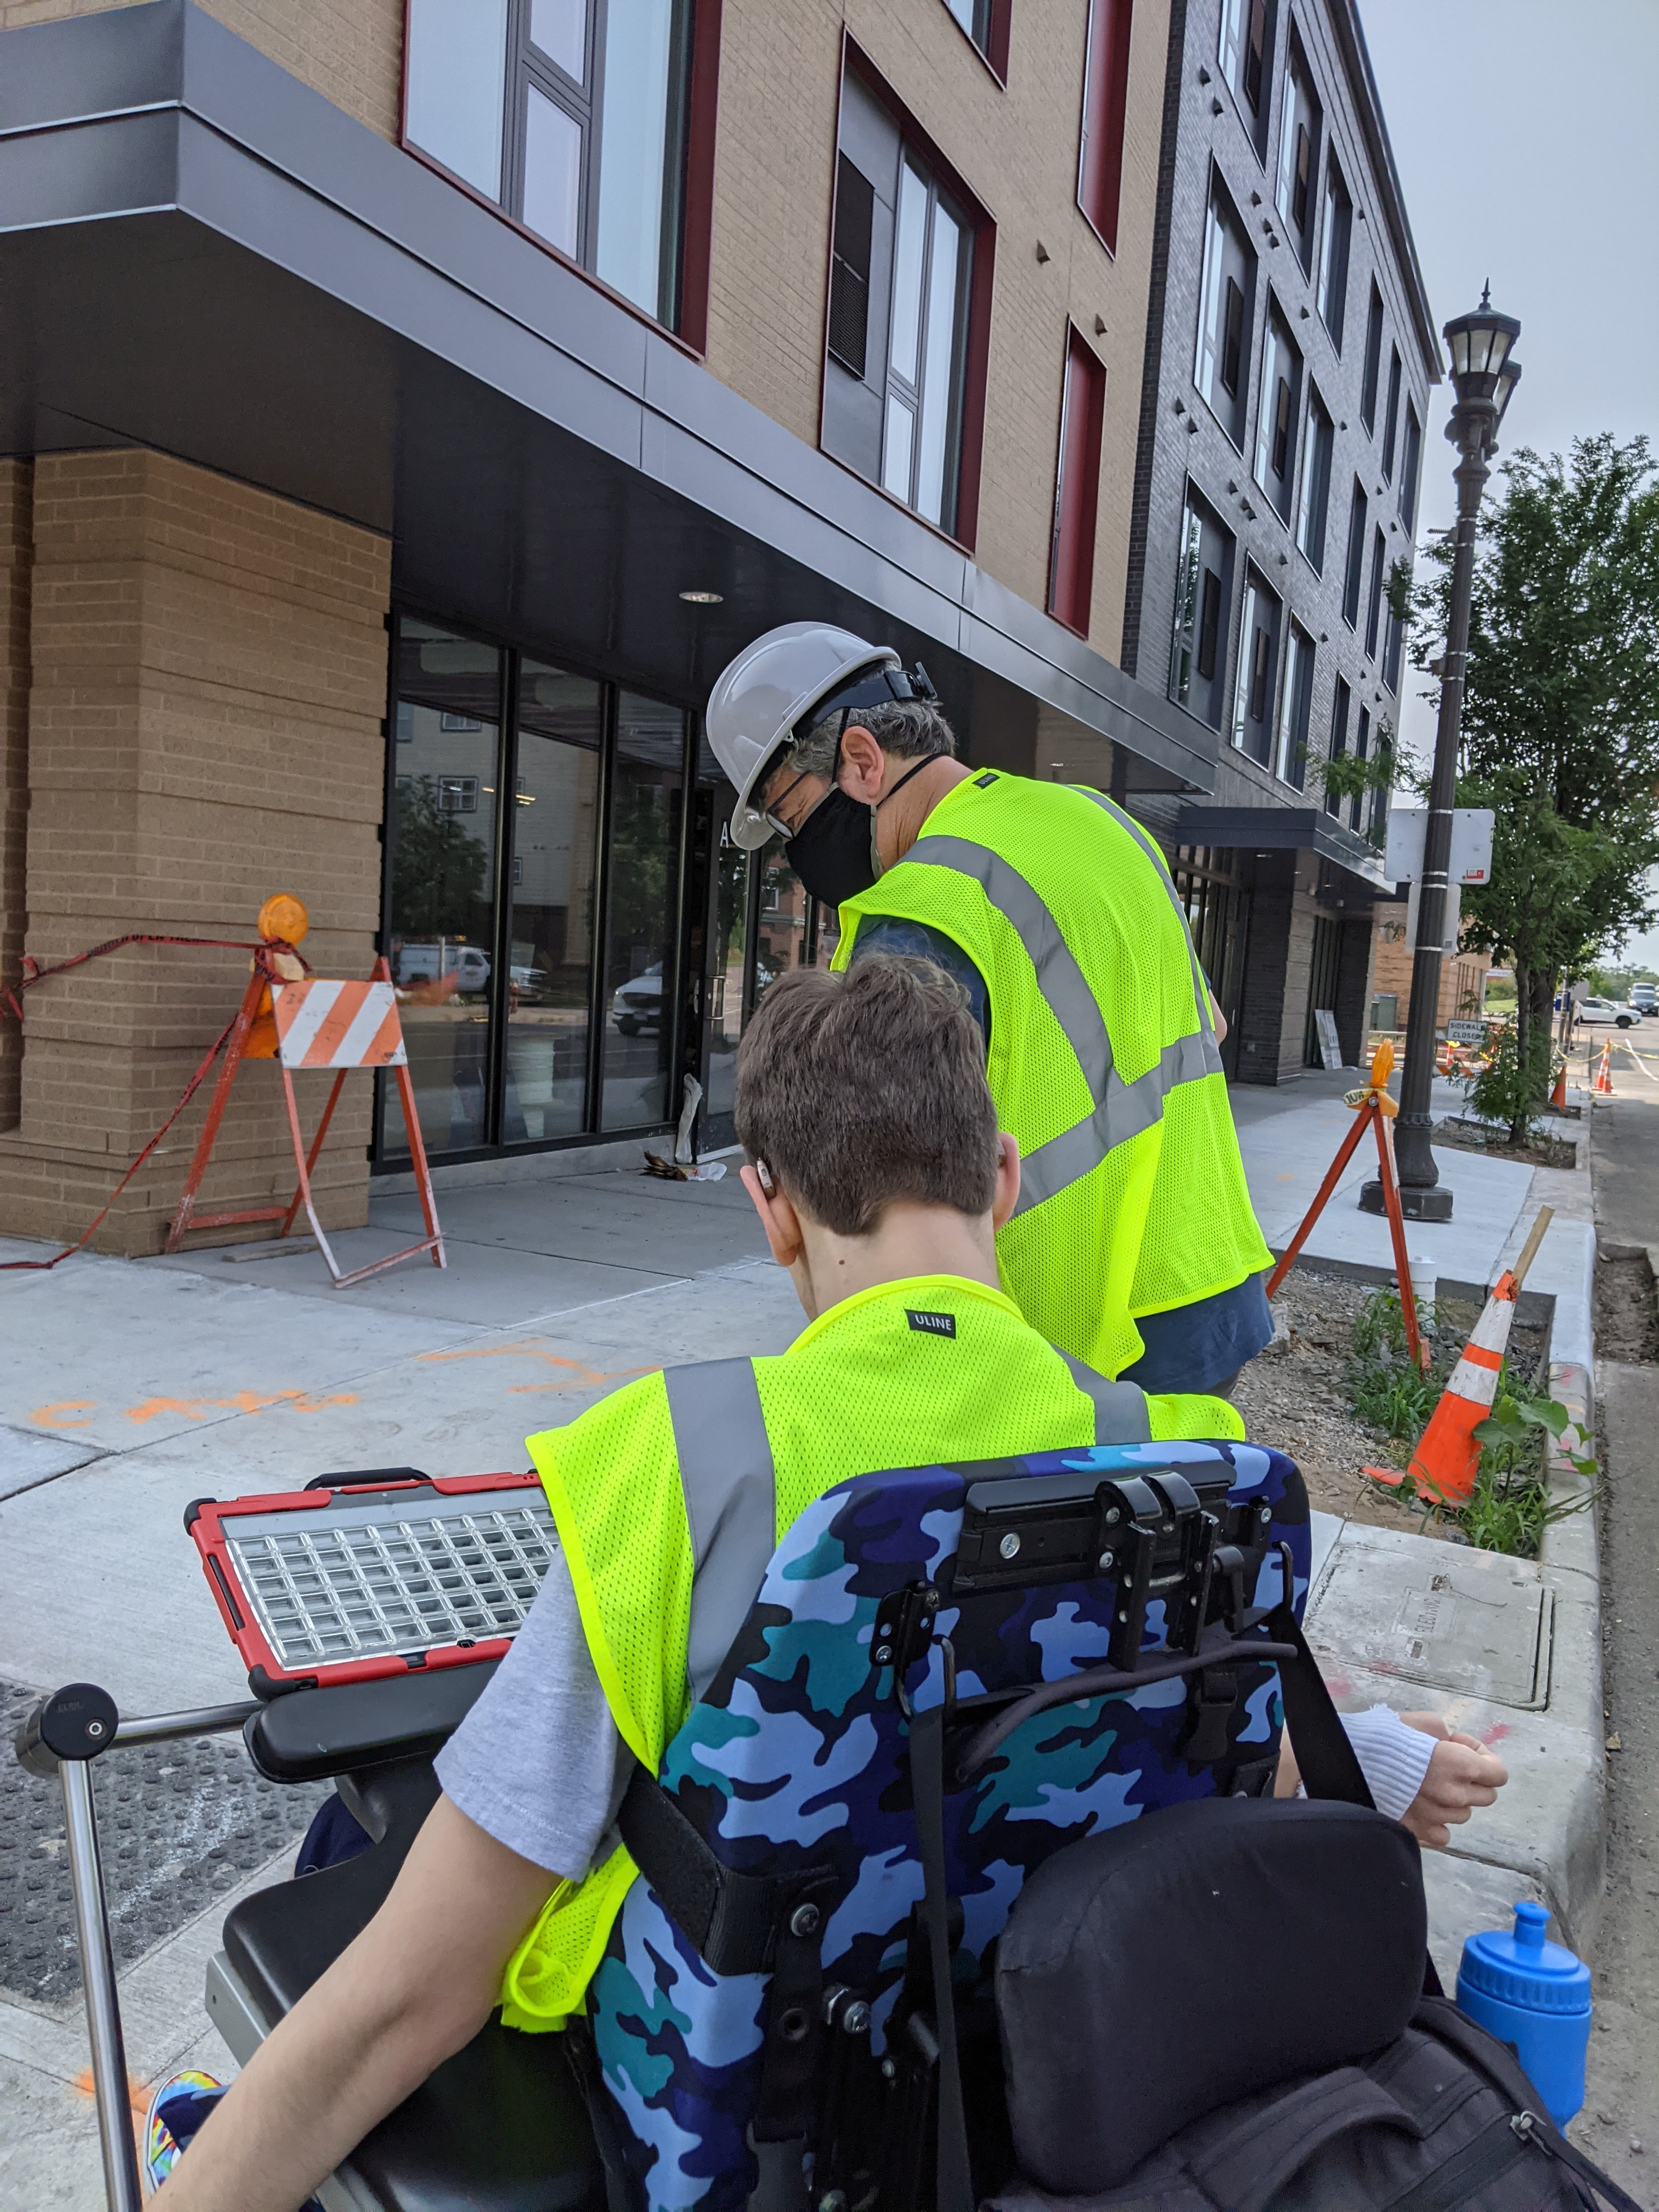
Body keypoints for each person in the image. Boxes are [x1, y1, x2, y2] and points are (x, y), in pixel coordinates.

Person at [148, 962, 1505, 2209]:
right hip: (1046, 2076)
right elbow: (1225, 1754)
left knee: (367, 1836)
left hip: (744, 2125)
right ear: (1009, 1179)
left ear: (770, 1204)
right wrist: (1376, 1756)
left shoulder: (675, 1464)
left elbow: (412, 1998)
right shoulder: (1177, 1465)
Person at [703, 622, 1276, 1397]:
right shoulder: (1103, 824)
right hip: (1208, 1279)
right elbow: (1207, 1024)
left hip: (1072, 1341)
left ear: (863, 762)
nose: (793, 846)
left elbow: (883, 1204)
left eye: (791, 815)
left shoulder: (922, 911)